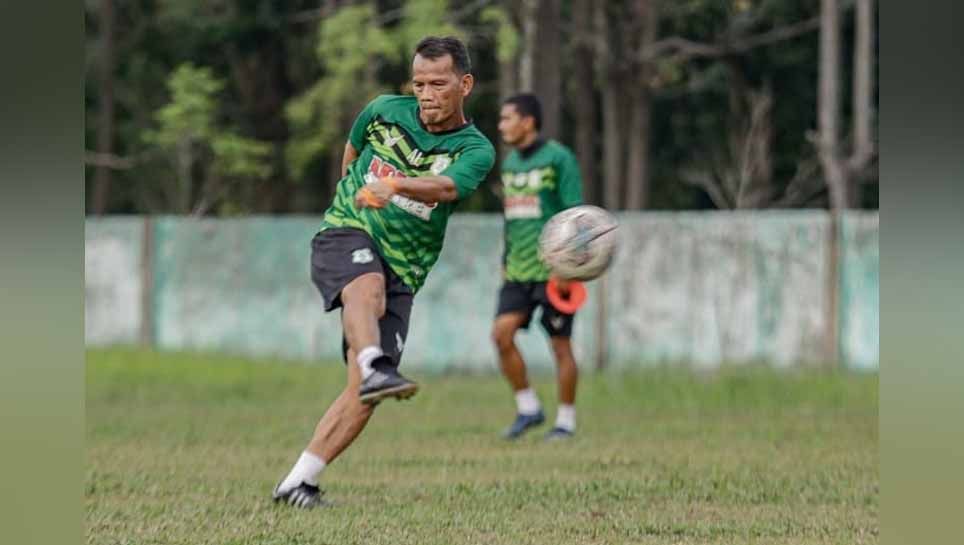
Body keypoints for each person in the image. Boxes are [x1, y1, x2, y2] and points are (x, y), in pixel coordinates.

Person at [272, 36, 495, 509]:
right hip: (346, 234)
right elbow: (351, 156)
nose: (427, 93)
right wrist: (352, 198)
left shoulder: (475, 148)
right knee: (365, 292)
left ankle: (298, 482)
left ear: (465, 84)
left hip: (406, 269)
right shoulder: (381, 110)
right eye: (419, 83)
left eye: (439, 83)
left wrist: (394, 185)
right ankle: (373, 361)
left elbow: (445, 188)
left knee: (364, 392)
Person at [492, 93, 585, 441]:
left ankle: (565, 422)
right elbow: (511, 217)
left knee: (560, 346)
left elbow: (576, 214)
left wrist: (566, 266)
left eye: (507, 119)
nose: (501, 125)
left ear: (527, 122)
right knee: (501, 336)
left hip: (553, 272)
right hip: (517, 271)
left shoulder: (559, 158)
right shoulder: (511, 163)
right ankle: (529, 408)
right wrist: (505, 260)